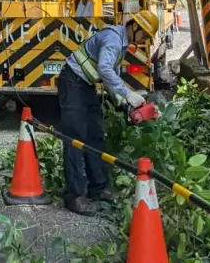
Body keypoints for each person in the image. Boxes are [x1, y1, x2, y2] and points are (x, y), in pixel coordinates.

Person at [57, 11, 154, 216]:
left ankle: (98, 188)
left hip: (85, 86)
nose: (144, 40)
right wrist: (128, 94)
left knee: (95, 135)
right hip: (73, 82)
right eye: (144, 35)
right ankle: (74, 196)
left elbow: (111, 76)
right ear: (135, 27)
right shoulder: (113, 38)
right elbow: (105, 70)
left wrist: (121, 100)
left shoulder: (121, 43)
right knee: (75, 138)